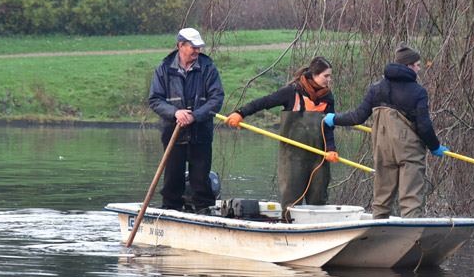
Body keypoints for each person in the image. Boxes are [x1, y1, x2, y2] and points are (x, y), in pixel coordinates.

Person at [324, 43, 448, 218]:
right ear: (408, 66)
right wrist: (435, 147)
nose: (419, 69)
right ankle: (412, 240)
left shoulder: (377, 89)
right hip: (410, 155)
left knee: (381, 202)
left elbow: (357, 117)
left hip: (383, 152)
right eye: (418, 65)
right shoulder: (419, 92)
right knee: (411, 202)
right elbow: (424, 126)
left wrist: (333, 119)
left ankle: (377, 236)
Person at [225, 56, 339, 217]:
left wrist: (332, 149)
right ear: (314, 74)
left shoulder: (328, 97)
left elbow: (329, 127)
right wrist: (240, 113)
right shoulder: (292, 92)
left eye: (330, 76)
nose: (329, 80)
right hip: (292, 158)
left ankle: (317, 229)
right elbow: (264, 102)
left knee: (319, 201)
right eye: (326, 76)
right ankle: (289, 229)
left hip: (319, 157)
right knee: (291, 202)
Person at [148, 27, 224, 213]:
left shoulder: (208, 68)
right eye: (194, 47)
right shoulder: (163, 69)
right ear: (181, 45)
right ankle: (170, 209)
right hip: (172, 132)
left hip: (201, 132)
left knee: (200, 177)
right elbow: (155, 100)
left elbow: (216, 99)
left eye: (199, 47)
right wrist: (175, 113)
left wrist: (195, 116)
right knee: (172, 176)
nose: (198, 51)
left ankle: (204, 211)